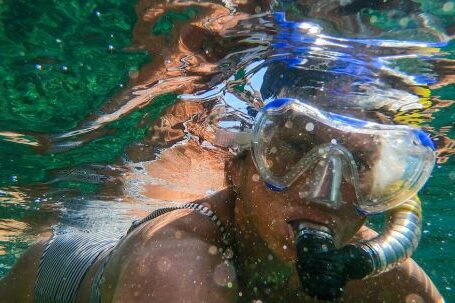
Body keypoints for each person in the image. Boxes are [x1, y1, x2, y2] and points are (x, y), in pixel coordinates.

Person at [0, 97, 444, 303]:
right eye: (293, 149)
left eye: (358, 163)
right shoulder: (176, 261)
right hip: (60, 269)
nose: (323, 190)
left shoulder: (374, 265)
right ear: (237, 168)